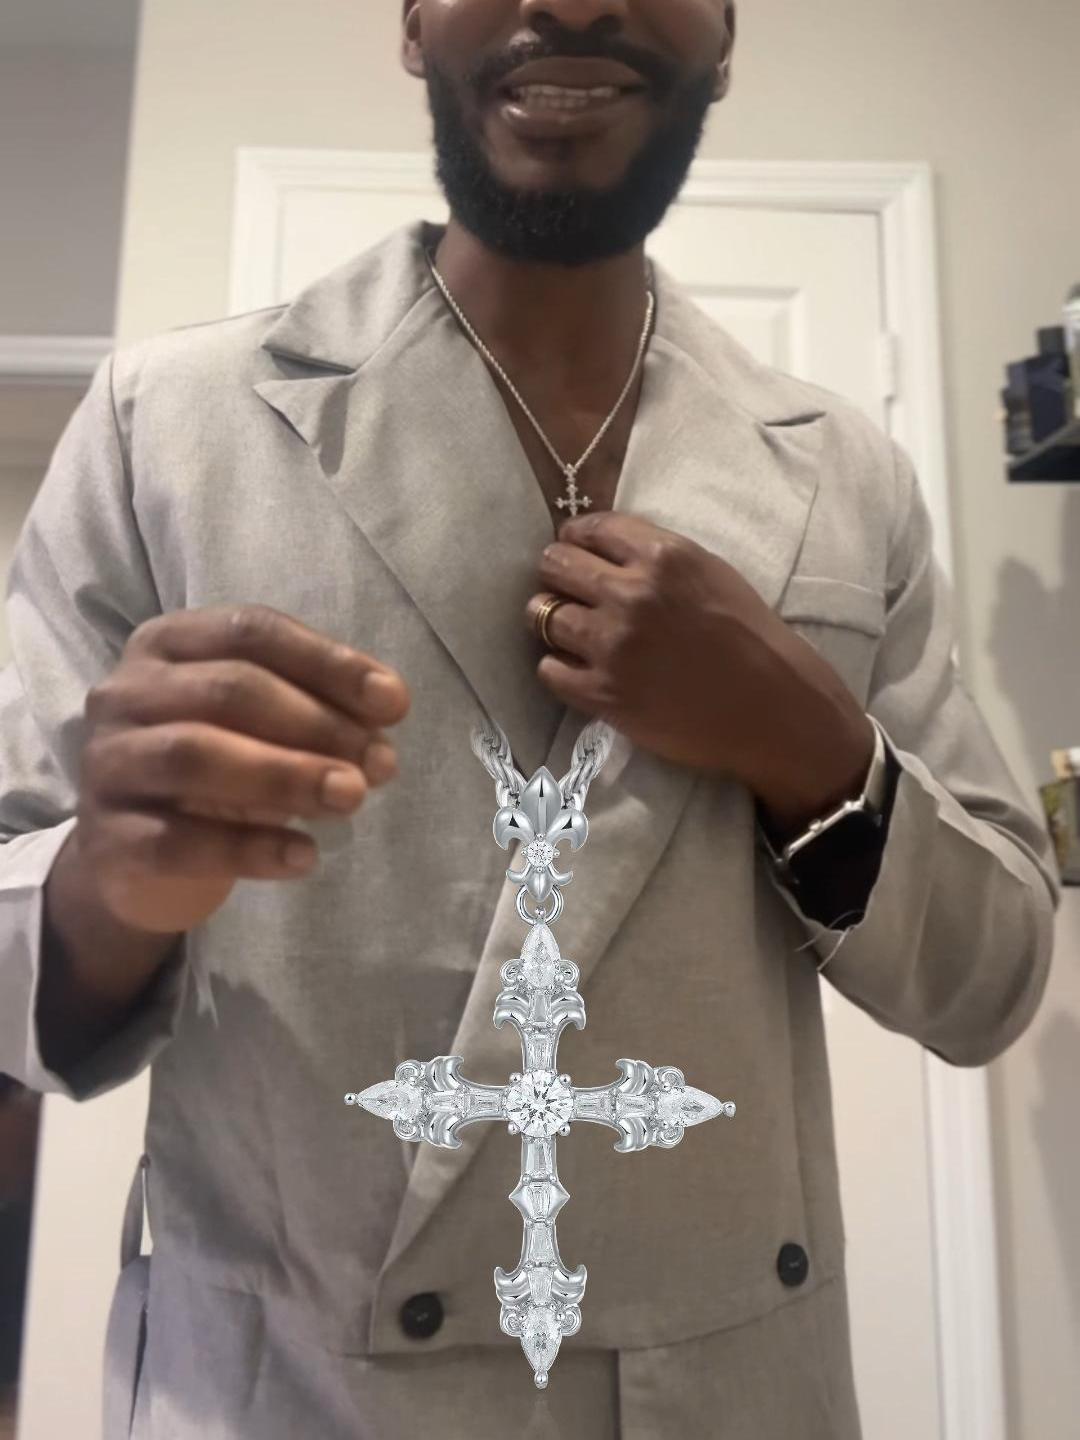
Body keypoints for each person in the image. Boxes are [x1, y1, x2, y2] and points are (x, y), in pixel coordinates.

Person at [0, 1, 1060, 1436]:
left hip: (735, 1391)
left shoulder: (845, 477)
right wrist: (108, 885)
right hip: (289, 1391)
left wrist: (803, 745)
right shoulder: (169, 424)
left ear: (725, 31)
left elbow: (993, 976)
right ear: (414, 22)